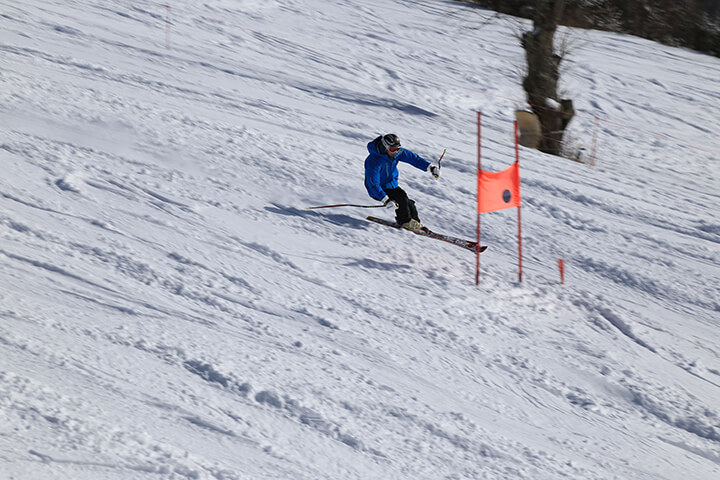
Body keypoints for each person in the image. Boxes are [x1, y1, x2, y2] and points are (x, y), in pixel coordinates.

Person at [364, 134, 440, 231]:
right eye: (392, 150)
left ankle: (415, 223)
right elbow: (372, 184)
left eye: (397, 149)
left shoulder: (396, 153)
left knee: (409, 203)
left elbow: (413, 158)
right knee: (401, 198)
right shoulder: (373, 161)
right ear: (385, 147)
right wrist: (385, 200)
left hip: (391, 185)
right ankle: (405, 221)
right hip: (378, 190)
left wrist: (430, 167)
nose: (396, 152)